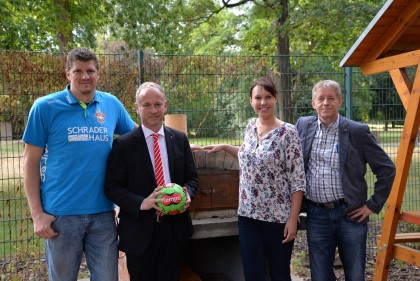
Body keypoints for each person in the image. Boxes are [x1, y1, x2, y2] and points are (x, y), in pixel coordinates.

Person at [22, 47, 137, 281]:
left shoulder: (111, 104)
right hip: (60, 216)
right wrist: (37, 214)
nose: (85, 76)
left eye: (90, 70)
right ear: (68, 74)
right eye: (78, 71)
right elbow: (29, 164)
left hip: (103, 214)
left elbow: (139, 135)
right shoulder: (45, 107)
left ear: (98, 73)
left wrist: (177, 142)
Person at [204, 77, 305, 281]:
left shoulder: (288, 132)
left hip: (277, 218)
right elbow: (249, 155)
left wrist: (293, 219)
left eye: (268, 97)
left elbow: (297, 180)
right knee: (253, 274)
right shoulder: (251, 126)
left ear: (275, 99)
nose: (263, 102)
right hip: (248, 215)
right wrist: (224, 147)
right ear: (250, 100)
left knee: (279, 274)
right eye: (258, 97)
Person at [295, 80, 396, 281]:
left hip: (350, 214)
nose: (326, 103)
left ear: (339, 101)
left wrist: (372, 205)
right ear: (313, 103)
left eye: (331, 98)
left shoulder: (357, 131)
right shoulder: (303, 126)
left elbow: (387, 169)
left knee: (355, 275)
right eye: (320, 98)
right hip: (317, 214)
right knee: (320, 276)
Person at [104, 82, 198, 281]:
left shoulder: (179, 139)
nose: (153, 110)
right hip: (141, 233)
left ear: (166, 106)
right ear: (137, 108)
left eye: (158, 104)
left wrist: (186, 194)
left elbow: (192, 178)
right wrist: (141, 203)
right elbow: (112, 187)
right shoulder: (124, 144)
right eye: (146, 105)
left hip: (175, 230)